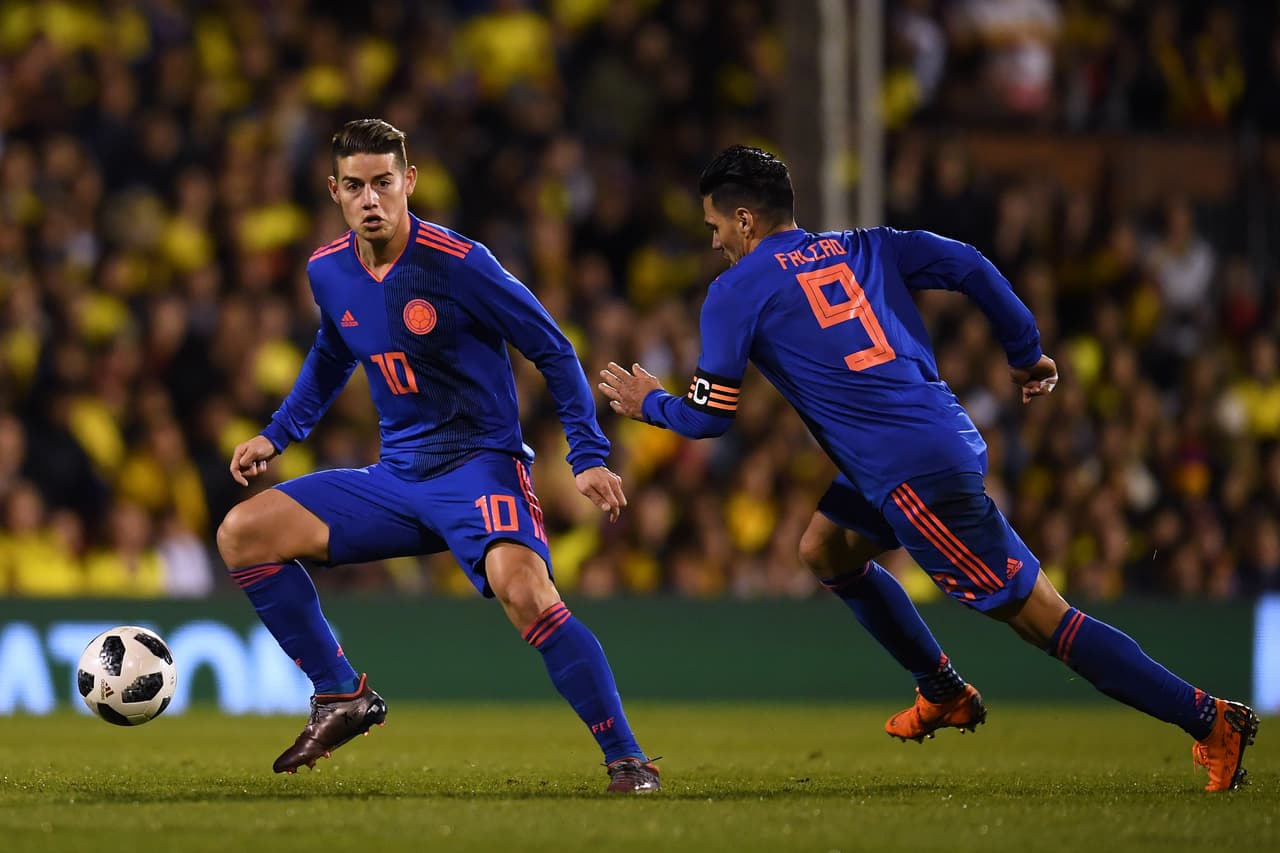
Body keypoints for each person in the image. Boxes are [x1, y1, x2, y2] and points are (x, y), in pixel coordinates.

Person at [599, 144, 1258, 793]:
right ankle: (940, 688)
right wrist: (1025, 351)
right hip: (937, 437)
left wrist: (647, 402)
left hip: (910, 472)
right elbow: (969, 263)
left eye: (715, 226)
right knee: (825, 549)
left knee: (1047, 621)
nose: (715, 242)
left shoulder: (734, 290)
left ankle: (1209, 718)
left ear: (744, 220)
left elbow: (709, 417)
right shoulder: (866, 245)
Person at [216, 119, 659, 793]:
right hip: (397, 476)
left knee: (525, 590)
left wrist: (587, 454)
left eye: (384, 183)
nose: (371, 199)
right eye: (355, 186)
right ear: (334, 191)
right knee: (242, 532)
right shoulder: (327, 269)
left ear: (410, 182)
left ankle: (627, 758)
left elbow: (553, 348)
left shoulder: (459, 263)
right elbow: (333, 352)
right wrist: (277, 435)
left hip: (480, 467)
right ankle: (340, 693)